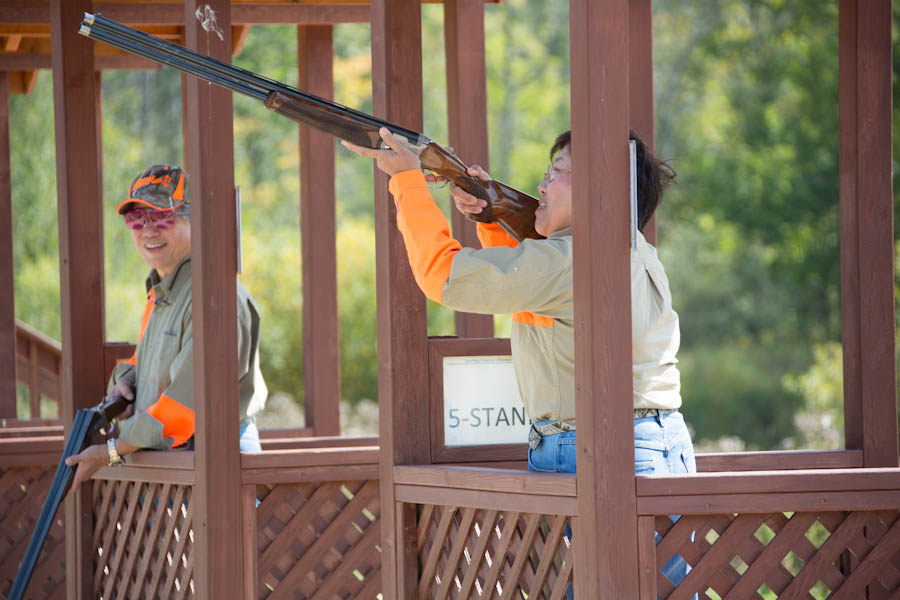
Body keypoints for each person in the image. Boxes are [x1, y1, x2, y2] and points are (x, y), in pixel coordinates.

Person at [343, 127, 695, 592]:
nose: (543, 186)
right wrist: (492, 218)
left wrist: (407, 181)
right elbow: (534, 298)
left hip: (605, 451)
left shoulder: (572, 260)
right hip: (634, 445)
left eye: (556, 173)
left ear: (598, 186)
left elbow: (444, 276)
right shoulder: (626, 251)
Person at [66, 164, 268, 490]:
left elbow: (186, 407)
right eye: (136, 219)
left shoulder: (214, 299)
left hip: (215, 465)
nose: (148, 231)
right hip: (176, 462)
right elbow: (145, 360)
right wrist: (126, 382)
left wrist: (112, 450)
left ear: (196, 219)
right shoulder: (163, 292)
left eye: (162, 217)